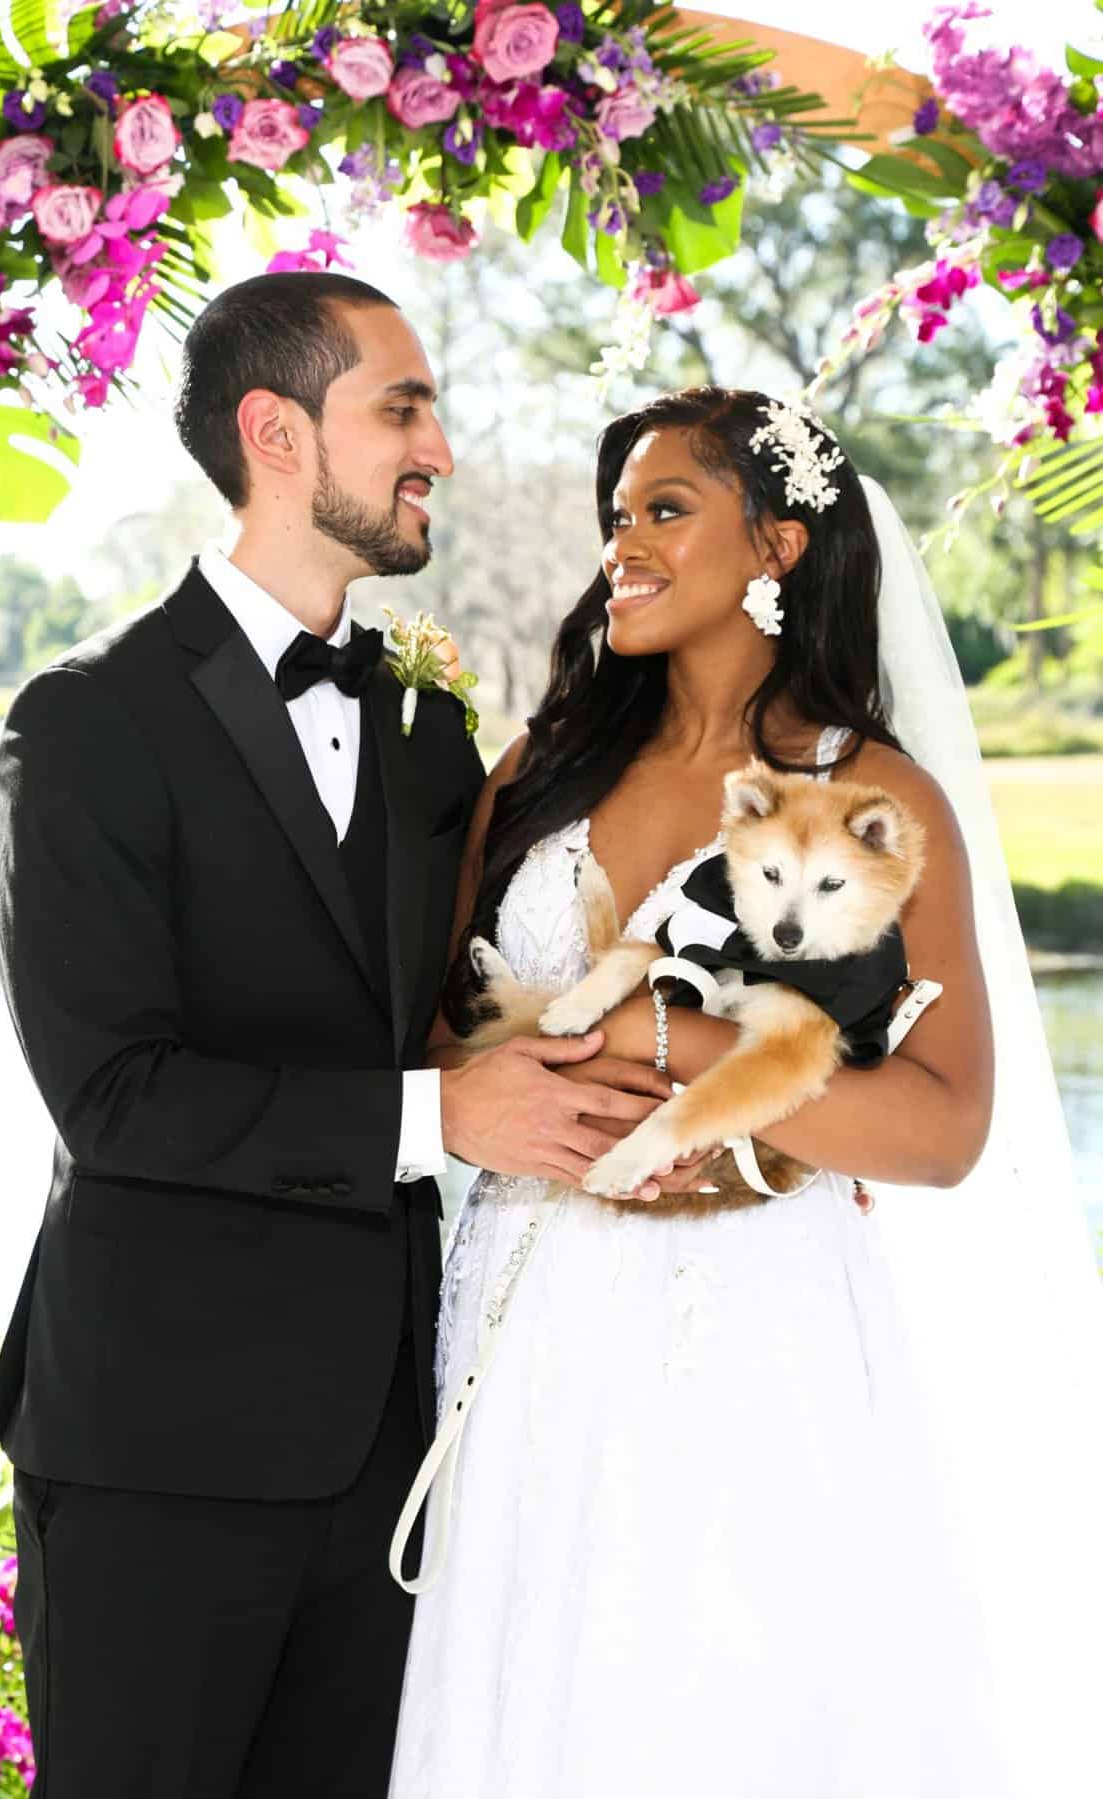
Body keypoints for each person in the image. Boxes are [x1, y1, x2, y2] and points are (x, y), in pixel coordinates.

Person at [0, 272, 704, 1799]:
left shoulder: (435, 737)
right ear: (276, 432)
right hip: (153, 1449)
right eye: (402, 406)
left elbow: (490, 988)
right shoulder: (85, 721)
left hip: (397, 1452)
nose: (439, 443)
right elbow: (115, 1098)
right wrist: (446, 1121)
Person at [388, 387, 1103, 1797]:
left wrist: (699, 1061)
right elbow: (438, 1030)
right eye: (617, 519)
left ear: (776, 547)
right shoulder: (542, 767)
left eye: (666, 511)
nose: (624, 547)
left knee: (731, 1702)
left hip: (756, 1325)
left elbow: (949, 1126)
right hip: (524, 1318)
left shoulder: (871, 793)